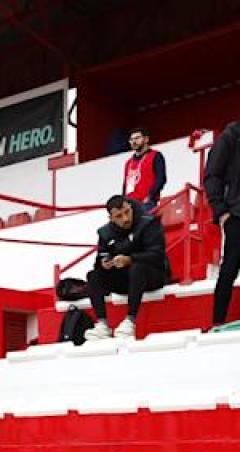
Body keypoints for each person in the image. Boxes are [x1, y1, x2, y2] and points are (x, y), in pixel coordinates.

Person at [83, 195, 168, 341]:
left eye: (127, 212)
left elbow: (157, 255)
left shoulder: (149, 222)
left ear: (130, 207)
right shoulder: (105, 233)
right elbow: (99, 258)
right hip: (126, 279)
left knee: (137, 267)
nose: (125, 219)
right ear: (111, 218)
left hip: (154, 275)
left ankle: (130, 321)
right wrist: (104, 262)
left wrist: (130, 259)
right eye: (119, 216)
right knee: (93, 275)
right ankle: (102, 325)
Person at [204, 121, 240, 327]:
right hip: (235, 212)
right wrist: (221, 211)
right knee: (230, 268)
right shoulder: (231, 135)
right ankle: (217, 323)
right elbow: (212, 175)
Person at [122, 128, 166, 212]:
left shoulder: (156, 155)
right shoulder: (128, 162)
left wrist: (149, 197)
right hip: (129, 206)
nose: (134, 141)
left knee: (144, 224)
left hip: (146, 203)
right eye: (131, 139)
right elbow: (125, 185)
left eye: (137, 138)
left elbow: (161, 179)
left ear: (146, 139)